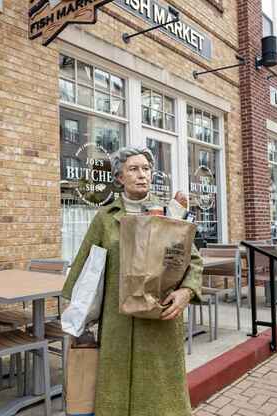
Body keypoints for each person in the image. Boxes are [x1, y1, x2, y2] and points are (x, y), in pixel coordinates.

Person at [62, 146, 203, 416]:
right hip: (118, 324)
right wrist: (79, 319)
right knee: (115, 396)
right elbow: (83, 269)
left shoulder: (170, 214)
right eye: (134, 169)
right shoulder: (105, 218)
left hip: (161, 320)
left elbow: (193, 260)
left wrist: (187, 290)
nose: (142, 175)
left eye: (146, 169)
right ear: (119, 178)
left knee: (161, 400)